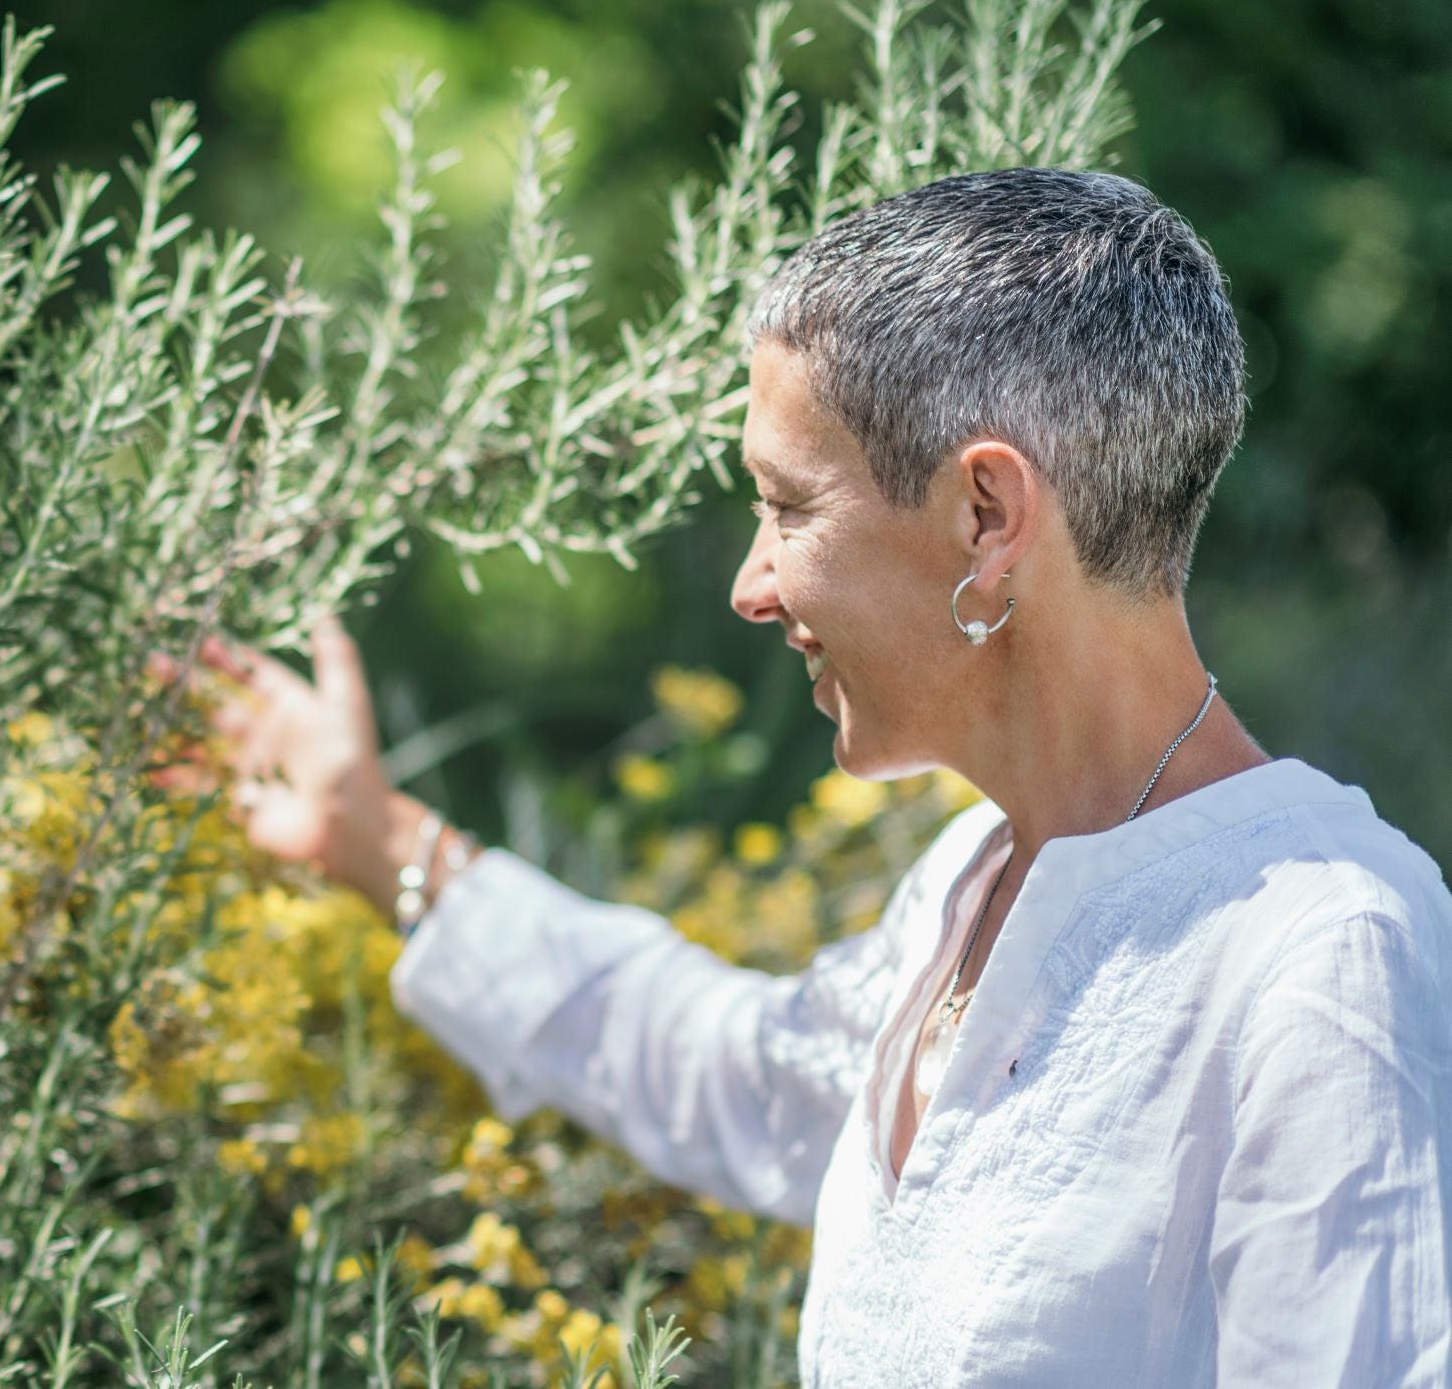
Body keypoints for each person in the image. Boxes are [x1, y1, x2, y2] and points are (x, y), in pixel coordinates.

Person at [149, 169, 1452, 1385]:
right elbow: (727, 1067)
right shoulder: (967, 881)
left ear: (985, 520)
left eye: (786, 506)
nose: (749, 585)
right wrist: (374, 838)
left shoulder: (1320, 952)